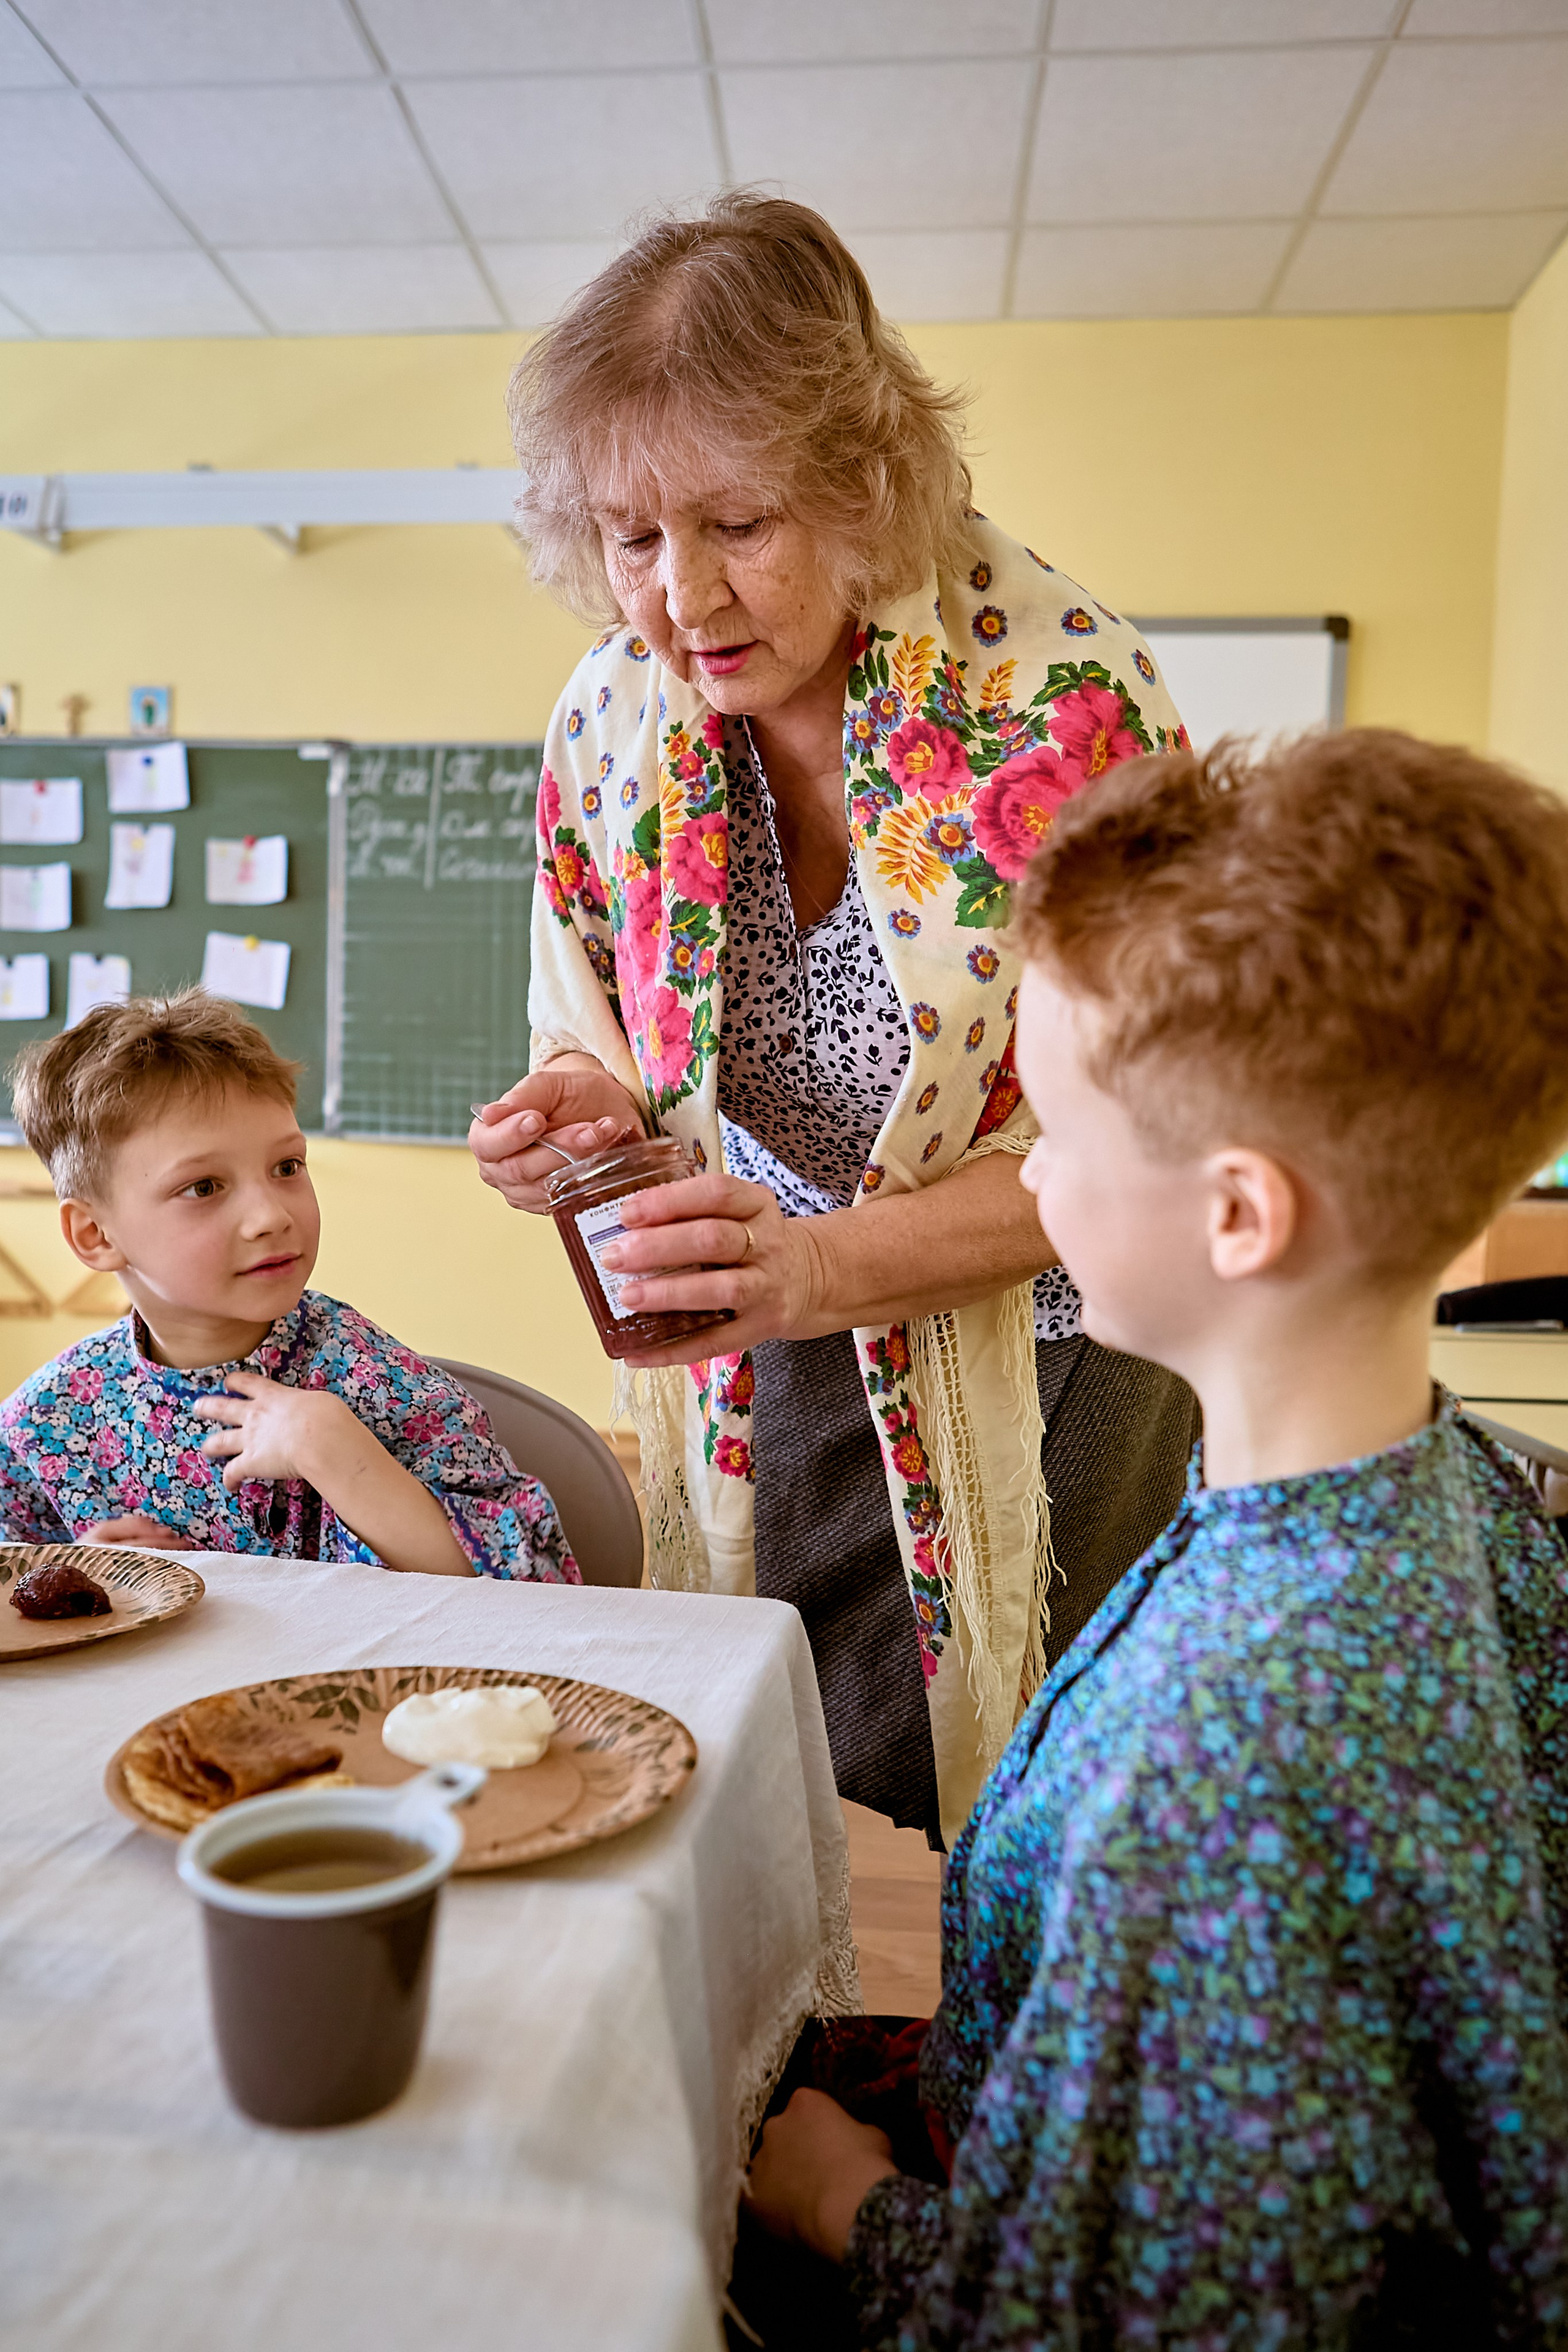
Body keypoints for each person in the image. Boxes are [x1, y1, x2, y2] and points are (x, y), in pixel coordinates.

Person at [742, 728, 1568, 2345]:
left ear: (1239, 1214)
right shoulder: (1463, 1495)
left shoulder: (1221, 1766)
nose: (1033, 1178)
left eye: (1051, 1128)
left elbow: (1117, 2320)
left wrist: (842, 2206)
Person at [469, 191, 1197, 1845]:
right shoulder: (612, 709)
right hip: (767, 1331)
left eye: (736, 524)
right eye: (630, 537)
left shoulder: (1064, 703)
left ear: (863, 486)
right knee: (776, 1774)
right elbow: (593, 1019)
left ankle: (980, 2099)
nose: (678, 597)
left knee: (1023, 1808)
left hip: (1061, 1341)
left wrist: (814, 1269)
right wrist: (579, 1108)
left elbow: (1150, 1137)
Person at [0, 991, 576, 1582]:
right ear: (96, 1234)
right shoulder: (49, 1422)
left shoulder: (370, 1378)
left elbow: (537, 1585)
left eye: (287, 1168)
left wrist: (335, 1453)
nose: (271, 1216)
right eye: (204, 1187)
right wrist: (74, 1574)